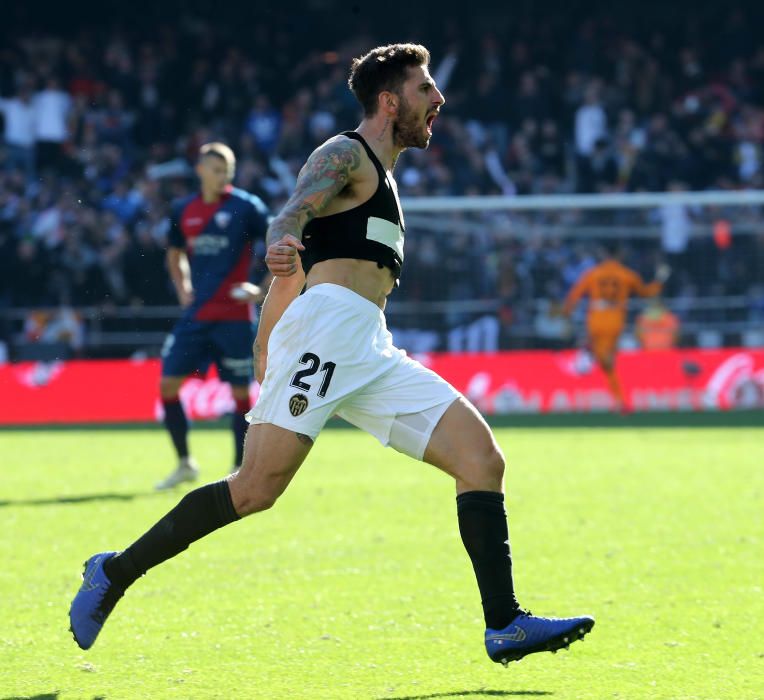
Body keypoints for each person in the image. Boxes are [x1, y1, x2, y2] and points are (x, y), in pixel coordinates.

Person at [69, 44, 593, 666]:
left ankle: (503, 623)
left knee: (482, 459)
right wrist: (280, 246)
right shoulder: (345, 154)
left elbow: (306, 266)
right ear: (390, 100)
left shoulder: (388, 178)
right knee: (255, 489)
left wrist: (266, 333)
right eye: (427, 89)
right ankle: (114, 572)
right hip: (324, 336)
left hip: (366, 342)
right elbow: (292, 218)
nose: (439, 100)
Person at [155, 142, 269, 489]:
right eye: (217, 170)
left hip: (235, 316)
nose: (223, 177)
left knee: (239, 394)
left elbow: (283, 246)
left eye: (228, 171)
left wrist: (260, 289)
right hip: (197, 314)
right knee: (167, 386)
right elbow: (174, 255)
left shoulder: (247, 208)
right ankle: (185, 463)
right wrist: (183, 287)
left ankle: (239, 469)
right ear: (201, 170)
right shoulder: (183, 208)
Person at [563, 244, 669, 411]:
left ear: (604, 254)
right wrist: (660, 280)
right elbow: (646, 292)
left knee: (605, 360)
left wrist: (567, 314)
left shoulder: (593, 273)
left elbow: (574, 295)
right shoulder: (627, 274)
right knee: (607, 361)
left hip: (596, 318)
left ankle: (587, 355)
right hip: (615, 320)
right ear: (620, 255)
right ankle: (617, 397)